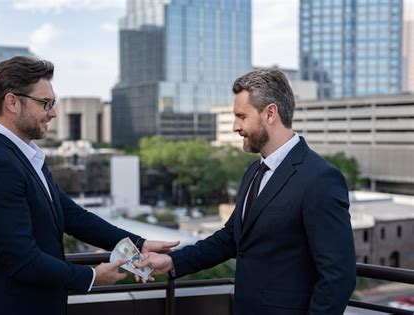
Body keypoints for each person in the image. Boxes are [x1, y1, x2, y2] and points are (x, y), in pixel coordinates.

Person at [0, 56, 178, 315]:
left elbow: (73, 216)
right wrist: (91, 276)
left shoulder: (25, 157)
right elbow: (22, 260)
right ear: (12, 102)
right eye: (46, 103)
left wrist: (139, 244)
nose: (53, 112)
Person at [136, 69, 356, 314]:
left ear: (270, 113)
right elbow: (231, 238)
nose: (235, 127)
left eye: (241, 116)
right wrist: (172, 261)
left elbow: (338, 276)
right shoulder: (254, 171)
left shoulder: (320, 178)